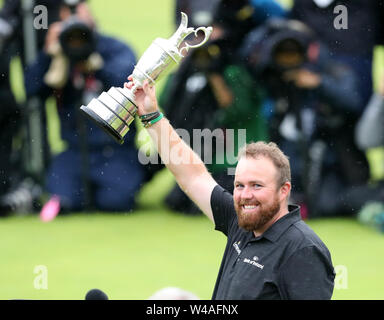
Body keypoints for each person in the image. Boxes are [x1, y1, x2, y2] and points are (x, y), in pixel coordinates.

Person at [124, 77, 335, 300]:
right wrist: (151, 115)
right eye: (239, 185)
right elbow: (193, 176)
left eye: (257, 185)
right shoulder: (242, 222)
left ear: (284, 190)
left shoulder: (303, 250)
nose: (246, 195)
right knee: (168, 299)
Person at [25, 0, 144, 220]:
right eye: (67, 12)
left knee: (116, 202)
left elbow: (131, 83)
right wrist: (48, 56)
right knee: (65, 201)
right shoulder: (60, 51)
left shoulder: (113, 48)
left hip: (114, 149)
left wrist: (96, 64)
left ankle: (140, 171)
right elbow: (31, 90)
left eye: (78, 9)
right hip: (74, 151)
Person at [240, 18, 370, 218]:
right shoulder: (272, 78)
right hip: (288, 155)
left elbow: (353, 102)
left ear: (309, 51)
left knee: (329, 204)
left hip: (330, 158)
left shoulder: (331, 70)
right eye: (283, 54)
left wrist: (318, 84)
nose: (289, 59)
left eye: (293, 52)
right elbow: (246, 60)